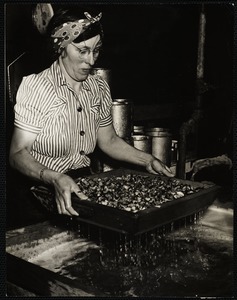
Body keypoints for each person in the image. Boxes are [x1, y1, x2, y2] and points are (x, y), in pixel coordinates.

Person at [9, 8, 174, 219]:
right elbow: (17, 153)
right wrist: (54, 178)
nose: (92, 61)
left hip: (81, 187)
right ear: (60, 48)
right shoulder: (37, 87)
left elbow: (109, 140)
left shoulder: (98, 88)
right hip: (38, 193)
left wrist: (147, 160)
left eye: (96, 50)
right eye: (82, 50)